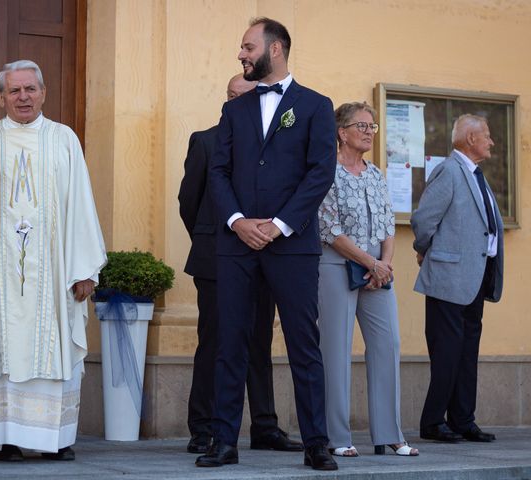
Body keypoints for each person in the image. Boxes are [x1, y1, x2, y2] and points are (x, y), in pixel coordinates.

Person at [0, 60, 107, 461]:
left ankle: (57, 440)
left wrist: (85, 270)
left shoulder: (64, 139)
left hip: (54, 275)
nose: (23, 97)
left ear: (44, 93)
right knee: (1, 353)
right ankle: (5, 439)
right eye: (14, 91)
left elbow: (81, 203)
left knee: (54, 349)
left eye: (30, 89)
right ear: (0, 98)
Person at [196, 17, 337, 471]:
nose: (241, 54)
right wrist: (237, 221)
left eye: (247, 46)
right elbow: (217, 172)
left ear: (275, 49)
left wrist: (278, 225)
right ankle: (223, 441)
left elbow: (320, 173)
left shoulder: (315, 106)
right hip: (237, 246)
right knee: (230, 342)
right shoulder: (234, 110)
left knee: (303, 344)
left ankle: (316, 442)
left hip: (292, 246)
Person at [178, 73, 302, 455]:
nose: (236, 102)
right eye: (232, 95)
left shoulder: (276, 146)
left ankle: (264, 426)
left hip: (266, 258)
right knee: (215, 343)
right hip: (216, 260)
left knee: (259, 344)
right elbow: (190, 203)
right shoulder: (205, 141)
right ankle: (204, 428)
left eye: (245, 96)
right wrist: (217, 239)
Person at [317, 102, 418, 457]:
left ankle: (390, 433)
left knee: (387, 345)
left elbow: (388, 224)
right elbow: (328, 229)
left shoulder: (375, 174)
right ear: (341, 132)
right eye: (361, 125)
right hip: (336, 266)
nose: (368, 132)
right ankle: (336, 436)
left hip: (377, 270)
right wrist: (369, 262)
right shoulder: (326, 172)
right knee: (335, 349)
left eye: (371, 127)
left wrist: (384, 264)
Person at [412, 114, 504, 443]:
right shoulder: (449, 170)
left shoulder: (476, 175)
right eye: (487, 136)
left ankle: (463, 420)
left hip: (476, 276)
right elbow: (424, 220)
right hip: (448, 277)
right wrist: (424, 249)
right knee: (448, 352)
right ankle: (433, 422)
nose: (492, 142)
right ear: (469, 139)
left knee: (467, 352)